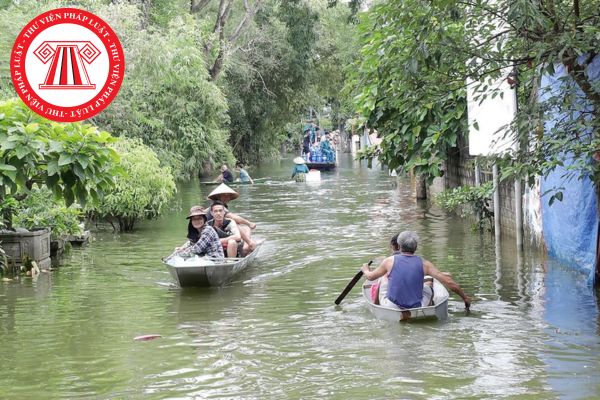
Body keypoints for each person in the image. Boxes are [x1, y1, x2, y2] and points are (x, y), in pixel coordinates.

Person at [362, 231, 471, 310]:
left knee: (383, 278)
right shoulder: (425, 264)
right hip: (418, 306)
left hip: (391, 306)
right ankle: (429, 306)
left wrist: (366, 269)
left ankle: (376, 306)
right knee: (429, 284)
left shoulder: (389, 261)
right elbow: (448, 281)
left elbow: (370, 277)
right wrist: (465, 298)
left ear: (399, 246)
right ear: (416, 247)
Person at [206, 183, 258, 253]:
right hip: (214, 231)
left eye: (228, 196)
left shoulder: (215, 205)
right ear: (218, 196)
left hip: (220, 229)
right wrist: (249, 223)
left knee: (246, 228)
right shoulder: (218, 206)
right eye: (224, 195)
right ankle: (249, 244)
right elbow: (232, 217)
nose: (227, 198)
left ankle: (246, 244)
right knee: (238, 224)